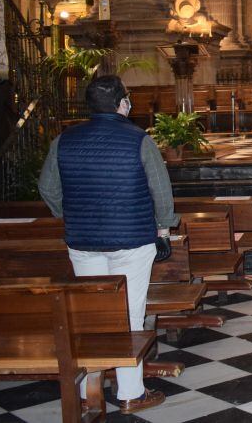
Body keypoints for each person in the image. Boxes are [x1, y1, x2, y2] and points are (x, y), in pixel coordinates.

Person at [38, 75, 179, 415]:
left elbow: (46, 187)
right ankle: (131, 392)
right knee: (129, 312)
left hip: (83, 242)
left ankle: (90, 390)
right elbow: (161, 191)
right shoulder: (138, 139)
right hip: (131, 240)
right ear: (122, 104)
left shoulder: (64, 140)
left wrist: (67, 213)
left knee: (93, 313)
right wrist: (163, 228)